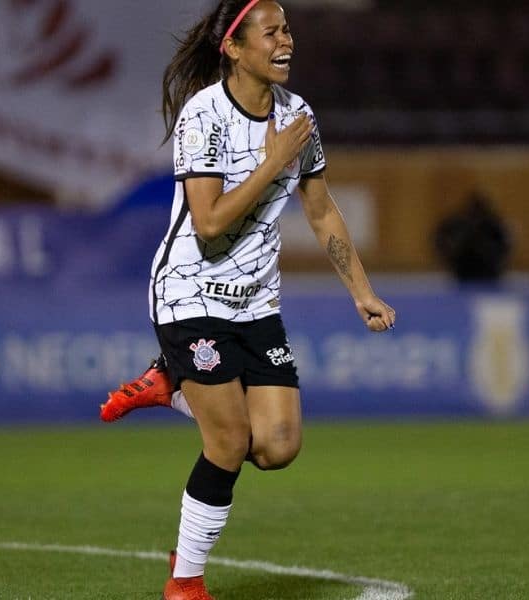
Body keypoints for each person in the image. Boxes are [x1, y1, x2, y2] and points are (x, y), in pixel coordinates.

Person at [98, 2, 396, 599]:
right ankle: (185, 582)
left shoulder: (298, 115)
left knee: (279, 446)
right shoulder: (204, 115)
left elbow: (319, 208)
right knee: (230, 441)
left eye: (288, 29)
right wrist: (273, 163)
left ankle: (170, 384)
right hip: (189, 295)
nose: (287, 41)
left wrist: (362, 291)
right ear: (234, 48)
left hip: (257, 303)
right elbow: (208, 224)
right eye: (272, 32)